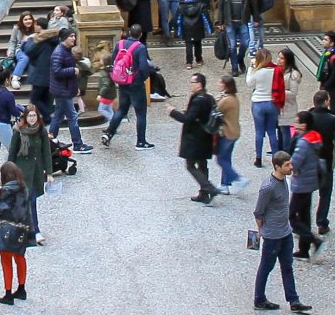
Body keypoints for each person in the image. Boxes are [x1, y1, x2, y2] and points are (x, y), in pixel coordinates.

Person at [252, 153, 312, 313]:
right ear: (277, 167)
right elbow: (258, 211)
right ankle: (259, 298)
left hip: (285, 232)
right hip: (272, 236)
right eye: (287, 165)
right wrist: (261, 230)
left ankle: (294, 300)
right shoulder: (268, 187)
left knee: (287, 266)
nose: (291, 167)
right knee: (266, 266)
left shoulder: (284, 180)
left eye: (290, 164)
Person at [100, 24, 157, 150]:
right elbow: (143, 67)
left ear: (129, 33)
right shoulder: (140, 47)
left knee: (122, 109)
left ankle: (109, 133)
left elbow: (113, 62)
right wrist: (142, 78)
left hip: (122, 81)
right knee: (140, 113)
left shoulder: (119, 44)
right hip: (135, 83)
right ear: (140, 35)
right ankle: (141, 142)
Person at [168, 72, 221, 203]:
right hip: (206, 136)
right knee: (202, 164)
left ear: (199, 84)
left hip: (195, 138)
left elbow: (188, 119)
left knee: (190, 164)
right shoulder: (208, 97)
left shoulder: (198, 100)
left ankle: (209, 188)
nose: (191, 85)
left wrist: (173, 112)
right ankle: (204, 194)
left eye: (193, 82)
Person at [0, 161, 35, 306]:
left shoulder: (6, 190)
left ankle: (8, 294)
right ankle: (21, 289)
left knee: (6, 261)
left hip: (8, 229)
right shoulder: (24, 187)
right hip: (23, 227)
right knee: (20, 257)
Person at [8, 104, 53, 243]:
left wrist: (49, 172)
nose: (32, 118)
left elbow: (46, 152)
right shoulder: (18, 131)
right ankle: (33, 229)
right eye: (29, 116)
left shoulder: (41, 131)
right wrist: (10, 173)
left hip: (36, 172)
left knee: (31, 200)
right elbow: (12, 153)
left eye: (34, 115)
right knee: (25, 201)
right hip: (21, 172)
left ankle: (31, 229)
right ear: (25, 117)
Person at [288, 111, 326, 261]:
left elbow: (295, 162)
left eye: (297, 122)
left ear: (303, 125)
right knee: (304, 215)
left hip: (301, 182)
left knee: (291, 216)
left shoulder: (303, 142)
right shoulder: (313, 138)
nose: (294, 125)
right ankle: (303, 250)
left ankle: (315, 241)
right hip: (310, 181)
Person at [47, 29, 88, 154]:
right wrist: (72, 70)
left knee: (58, 116)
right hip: (62, 90)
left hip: (63, 88)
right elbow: (56, 71)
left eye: (74, 36)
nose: (74, 39)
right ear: (64, 38)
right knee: (72, 117)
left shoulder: (65, 50)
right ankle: (78, 144)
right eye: (71, 36)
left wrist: (75, 87)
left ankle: (50, 139)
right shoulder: (59, 52)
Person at [307, 90, 335, 235]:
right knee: (325, 193)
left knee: (306, 193)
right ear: (326, 102)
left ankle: (302, 221)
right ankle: (321, 222)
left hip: (309, 162)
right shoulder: (333, 119)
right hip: (326, 160)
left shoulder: (307, 117)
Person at [217, 0, 258, 75]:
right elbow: (220, 7)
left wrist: (256, 18)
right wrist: (220, 22)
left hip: (243, 20)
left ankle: (240, 58)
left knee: (245, 43)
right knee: (232, 45)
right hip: (230, 22)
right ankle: (234, 67)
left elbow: (252, 4)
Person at [246, 47, 281, 168]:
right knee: (272, 131)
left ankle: (258, 158)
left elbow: (249, 83)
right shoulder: (275, 70)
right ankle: (276, 159)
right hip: (272, 102)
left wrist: (251, 67)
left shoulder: (257, 72)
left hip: (258, 103)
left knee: (259, 132)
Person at [215, 75, 247, 195]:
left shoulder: (226, 100)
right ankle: (224, 184)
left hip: (227, 133)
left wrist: (217, 100)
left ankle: (238, 179)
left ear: (225, 85)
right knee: (226, 158)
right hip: (235, 132)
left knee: (220, 159)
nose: (218, 84)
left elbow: (215, 110)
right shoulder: (233, 98)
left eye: (220, 82)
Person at [275, 48, 303, 152]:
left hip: (287, 106)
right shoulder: (278, 70)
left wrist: (278, 92)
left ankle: (286, 151)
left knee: (284, 130)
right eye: (278, 57)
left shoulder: (293, 74)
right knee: (280, 130)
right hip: (278, 105)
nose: (278, 60)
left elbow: (293, 93)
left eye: (282, 58)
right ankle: (280, 149)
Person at [6, 11, 37, 90]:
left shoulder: (36, 27)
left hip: (33, 50)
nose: (28, 21)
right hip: (20, 49)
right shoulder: (17, 28)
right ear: (22, 21)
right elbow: (12, 41)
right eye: (25, 19)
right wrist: (10, 51)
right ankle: (15, 78)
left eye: (30, 19)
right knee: (24, 58)